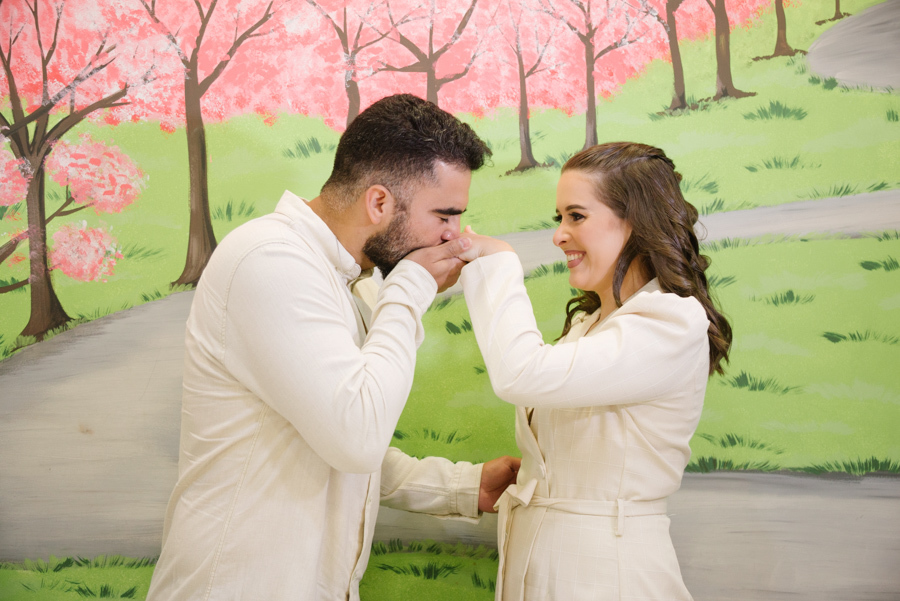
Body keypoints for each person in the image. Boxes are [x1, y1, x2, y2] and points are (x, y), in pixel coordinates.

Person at [146, 94, 519, 601]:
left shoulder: (352, 278)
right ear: (380, 202)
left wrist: (458, 489)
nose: (455, 236)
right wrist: (409, 289)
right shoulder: (271, 261)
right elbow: (354, 436)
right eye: (445, 215)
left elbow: (332, 443)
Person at [456, 142, 732, 601]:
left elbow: (521, 373)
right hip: (543, 567)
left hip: (608, 575)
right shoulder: (589, 328)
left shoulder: (670, 324)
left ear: (636, 221)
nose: (559, 235)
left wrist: (498, 262)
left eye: (576, 216)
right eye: (558, 218)